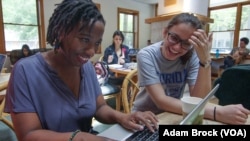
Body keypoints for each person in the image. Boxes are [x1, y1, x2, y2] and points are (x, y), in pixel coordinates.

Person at [4, 0, 158, 141]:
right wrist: (80, 138)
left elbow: (100, 108)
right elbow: (28, 135)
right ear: (60, 32)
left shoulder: (86, 68)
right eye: (85, 39)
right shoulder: (25, 71)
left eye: (97, 43)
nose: (92, 52)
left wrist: (123, 117)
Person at [132, 13, 250, 125]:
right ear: (165, 32)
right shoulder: (146, 54)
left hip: (173, 114)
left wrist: (205, 60)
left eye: (186, 43)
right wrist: (217, 112)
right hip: (144, 117)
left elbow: (198, 100)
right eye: (174, 37)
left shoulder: (191, 55)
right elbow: (161, 101)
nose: (177, 47)